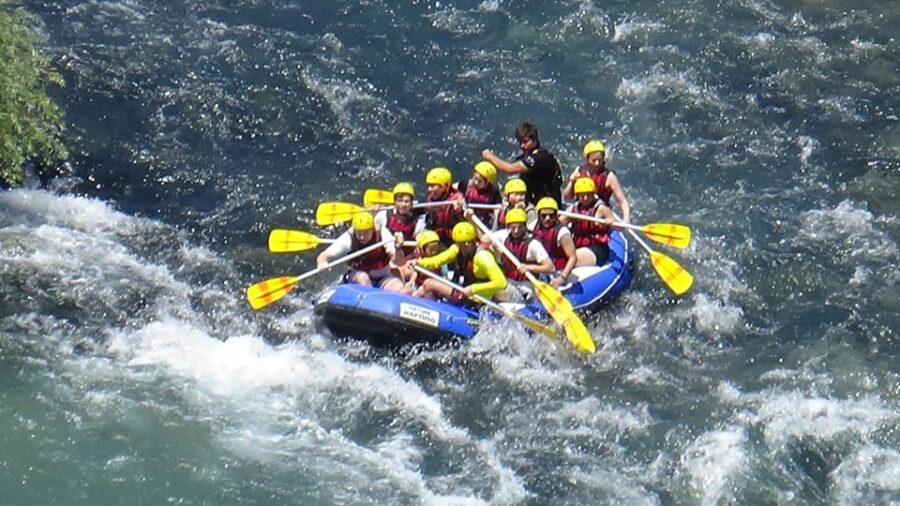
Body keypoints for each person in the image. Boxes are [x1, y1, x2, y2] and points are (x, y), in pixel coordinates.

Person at [412, 222, 507, 303]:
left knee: (429, 283)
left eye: (461, 243)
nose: (458, 246)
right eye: (457, 242)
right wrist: (419, 262)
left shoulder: (482, 257)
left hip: (477, 298)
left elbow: (501, 283)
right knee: (425, 285)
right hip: (463, 289)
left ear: (469, 243)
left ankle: (412, 301)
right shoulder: (457, 248)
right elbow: (438, 261)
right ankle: (411, 300)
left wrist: (473, 289)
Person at [316, 212, 406, 293]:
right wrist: (322, 262)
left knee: (400, 289)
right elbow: (324, 255)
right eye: (359, 233)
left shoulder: (382, 234)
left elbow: (399, 262)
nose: (362, 237)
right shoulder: (349, 237)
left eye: (366, 233)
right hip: (357, 276)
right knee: (363, 278)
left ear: (372, 229)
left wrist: (398, 248)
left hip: (383, 277)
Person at [481, 121, 563, 206]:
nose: (522, 146)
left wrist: (489, 156)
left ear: (535, 139)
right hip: (532, 199)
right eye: (520, 142)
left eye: (526, 142)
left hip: (547, 204)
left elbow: (509, 169)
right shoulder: (527, 156)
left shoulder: (540, 157)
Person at [485, 208, 554, 302]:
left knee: (496, 292)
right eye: (513, 227)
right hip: (508, 281)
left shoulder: (533, 244)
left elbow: (550, 268)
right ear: (508, 226)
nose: (516, 231)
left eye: (520, 227)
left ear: (525, 226)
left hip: (526, 285)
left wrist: (528, 267)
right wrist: (495, 249)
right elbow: (484, 239)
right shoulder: (504, 235)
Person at [562, 140, 631, 223]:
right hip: (580, 211)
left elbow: (623, 201)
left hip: (600, 213)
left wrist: (625, 219)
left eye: (600, 160)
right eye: (593, 160)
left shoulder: (609, 177)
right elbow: (567, 197)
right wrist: (572, 181)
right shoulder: (579, 171)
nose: (597, 163)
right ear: (587, 159)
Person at [559, 177, 614, 267]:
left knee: (569, 261)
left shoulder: (601, 209)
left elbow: (620, 227)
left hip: (597, 248)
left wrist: (610, 222)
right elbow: (558, 224)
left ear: (593, 194)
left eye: (588, 195)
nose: (585, 198)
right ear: (577, 195)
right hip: (577, 244)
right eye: (582, 195)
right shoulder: (573, 209)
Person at [531, 197, 578, 288]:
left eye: (551, 215)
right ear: (538, 215)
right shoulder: (533, 226)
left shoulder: (562, 232)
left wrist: (561, 279)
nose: (547, 218)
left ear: (556, 215)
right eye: (543, 216)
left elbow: (573, 257)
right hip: (540, 268)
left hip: (558, 271)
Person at [375, 181, 424, 258]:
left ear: (411, 204)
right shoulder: (382, 216)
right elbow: (375, 239)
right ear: (394, 202)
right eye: (400, 201)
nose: (403, 205)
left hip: (406, 258)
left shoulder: (418, 222)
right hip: (385, 257)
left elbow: (418, 246)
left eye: (406, 201)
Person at [422, 166, 464, 245]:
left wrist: (460, 210)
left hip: (453, 241)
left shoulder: (456, 199)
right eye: (428, 186)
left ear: (445, 187)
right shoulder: (431, 199)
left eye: (432, 186)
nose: (429, 189)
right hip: (436, 239)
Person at [454, 161, 502, 227]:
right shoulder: (467, 184)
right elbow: (451, 189)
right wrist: (459, 197)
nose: (476, 182)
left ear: (487, 183)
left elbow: (497, 212)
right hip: (466, 219)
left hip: (483, 224)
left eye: (480, 181)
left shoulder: (494, 193)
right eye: (475, 178)